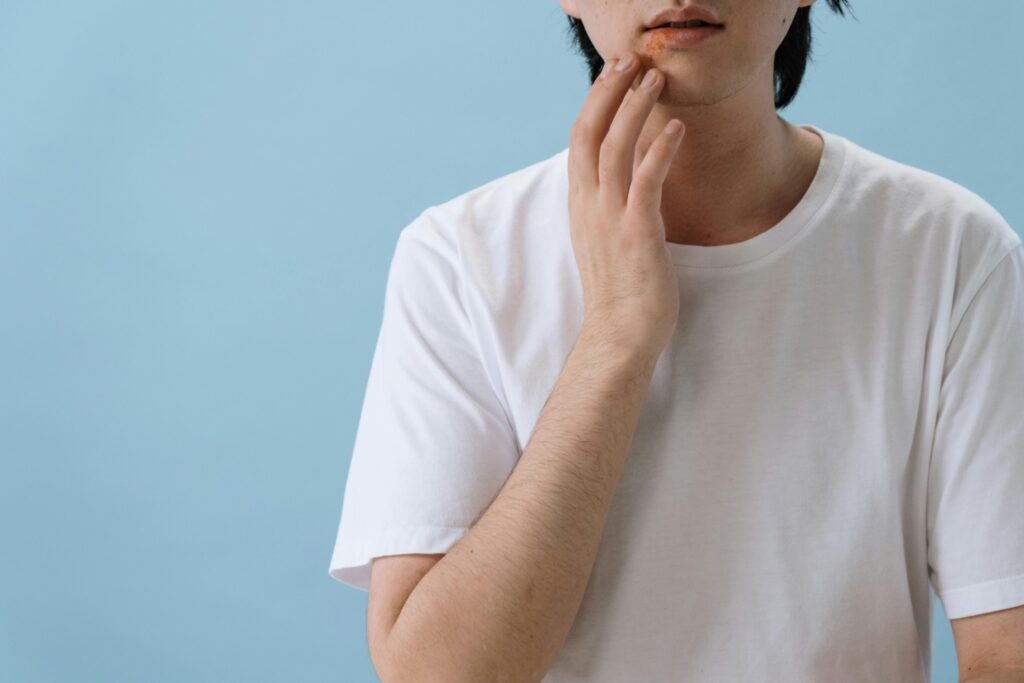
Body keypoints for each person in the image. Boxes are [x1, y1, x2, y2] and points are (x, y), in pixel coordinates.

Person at [328, 2, 1024, 681]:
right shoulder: (461, 259)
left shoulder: (953, 250)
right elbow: (439, 673)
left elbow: (1007, 650)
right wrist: (615, 336)